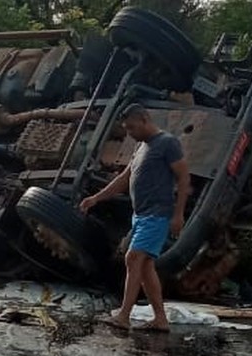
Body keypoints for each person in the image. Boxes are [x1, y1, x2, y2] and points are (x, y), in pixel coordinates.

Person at [79, 103, 190, 333]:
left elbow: (183, 178)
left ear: (145, 120)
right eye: (126, 129)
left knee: (132, 258)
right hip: (140, 214)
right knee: (146, 267)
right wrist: (96, 198)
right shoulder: (141, 146)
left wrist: (178, 215)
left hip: (157, 214)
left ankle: (124, 316)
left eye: (132, 127)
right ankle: (160, 319)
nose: (129, 132)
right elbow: (124, 178)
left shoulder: (167, 143)